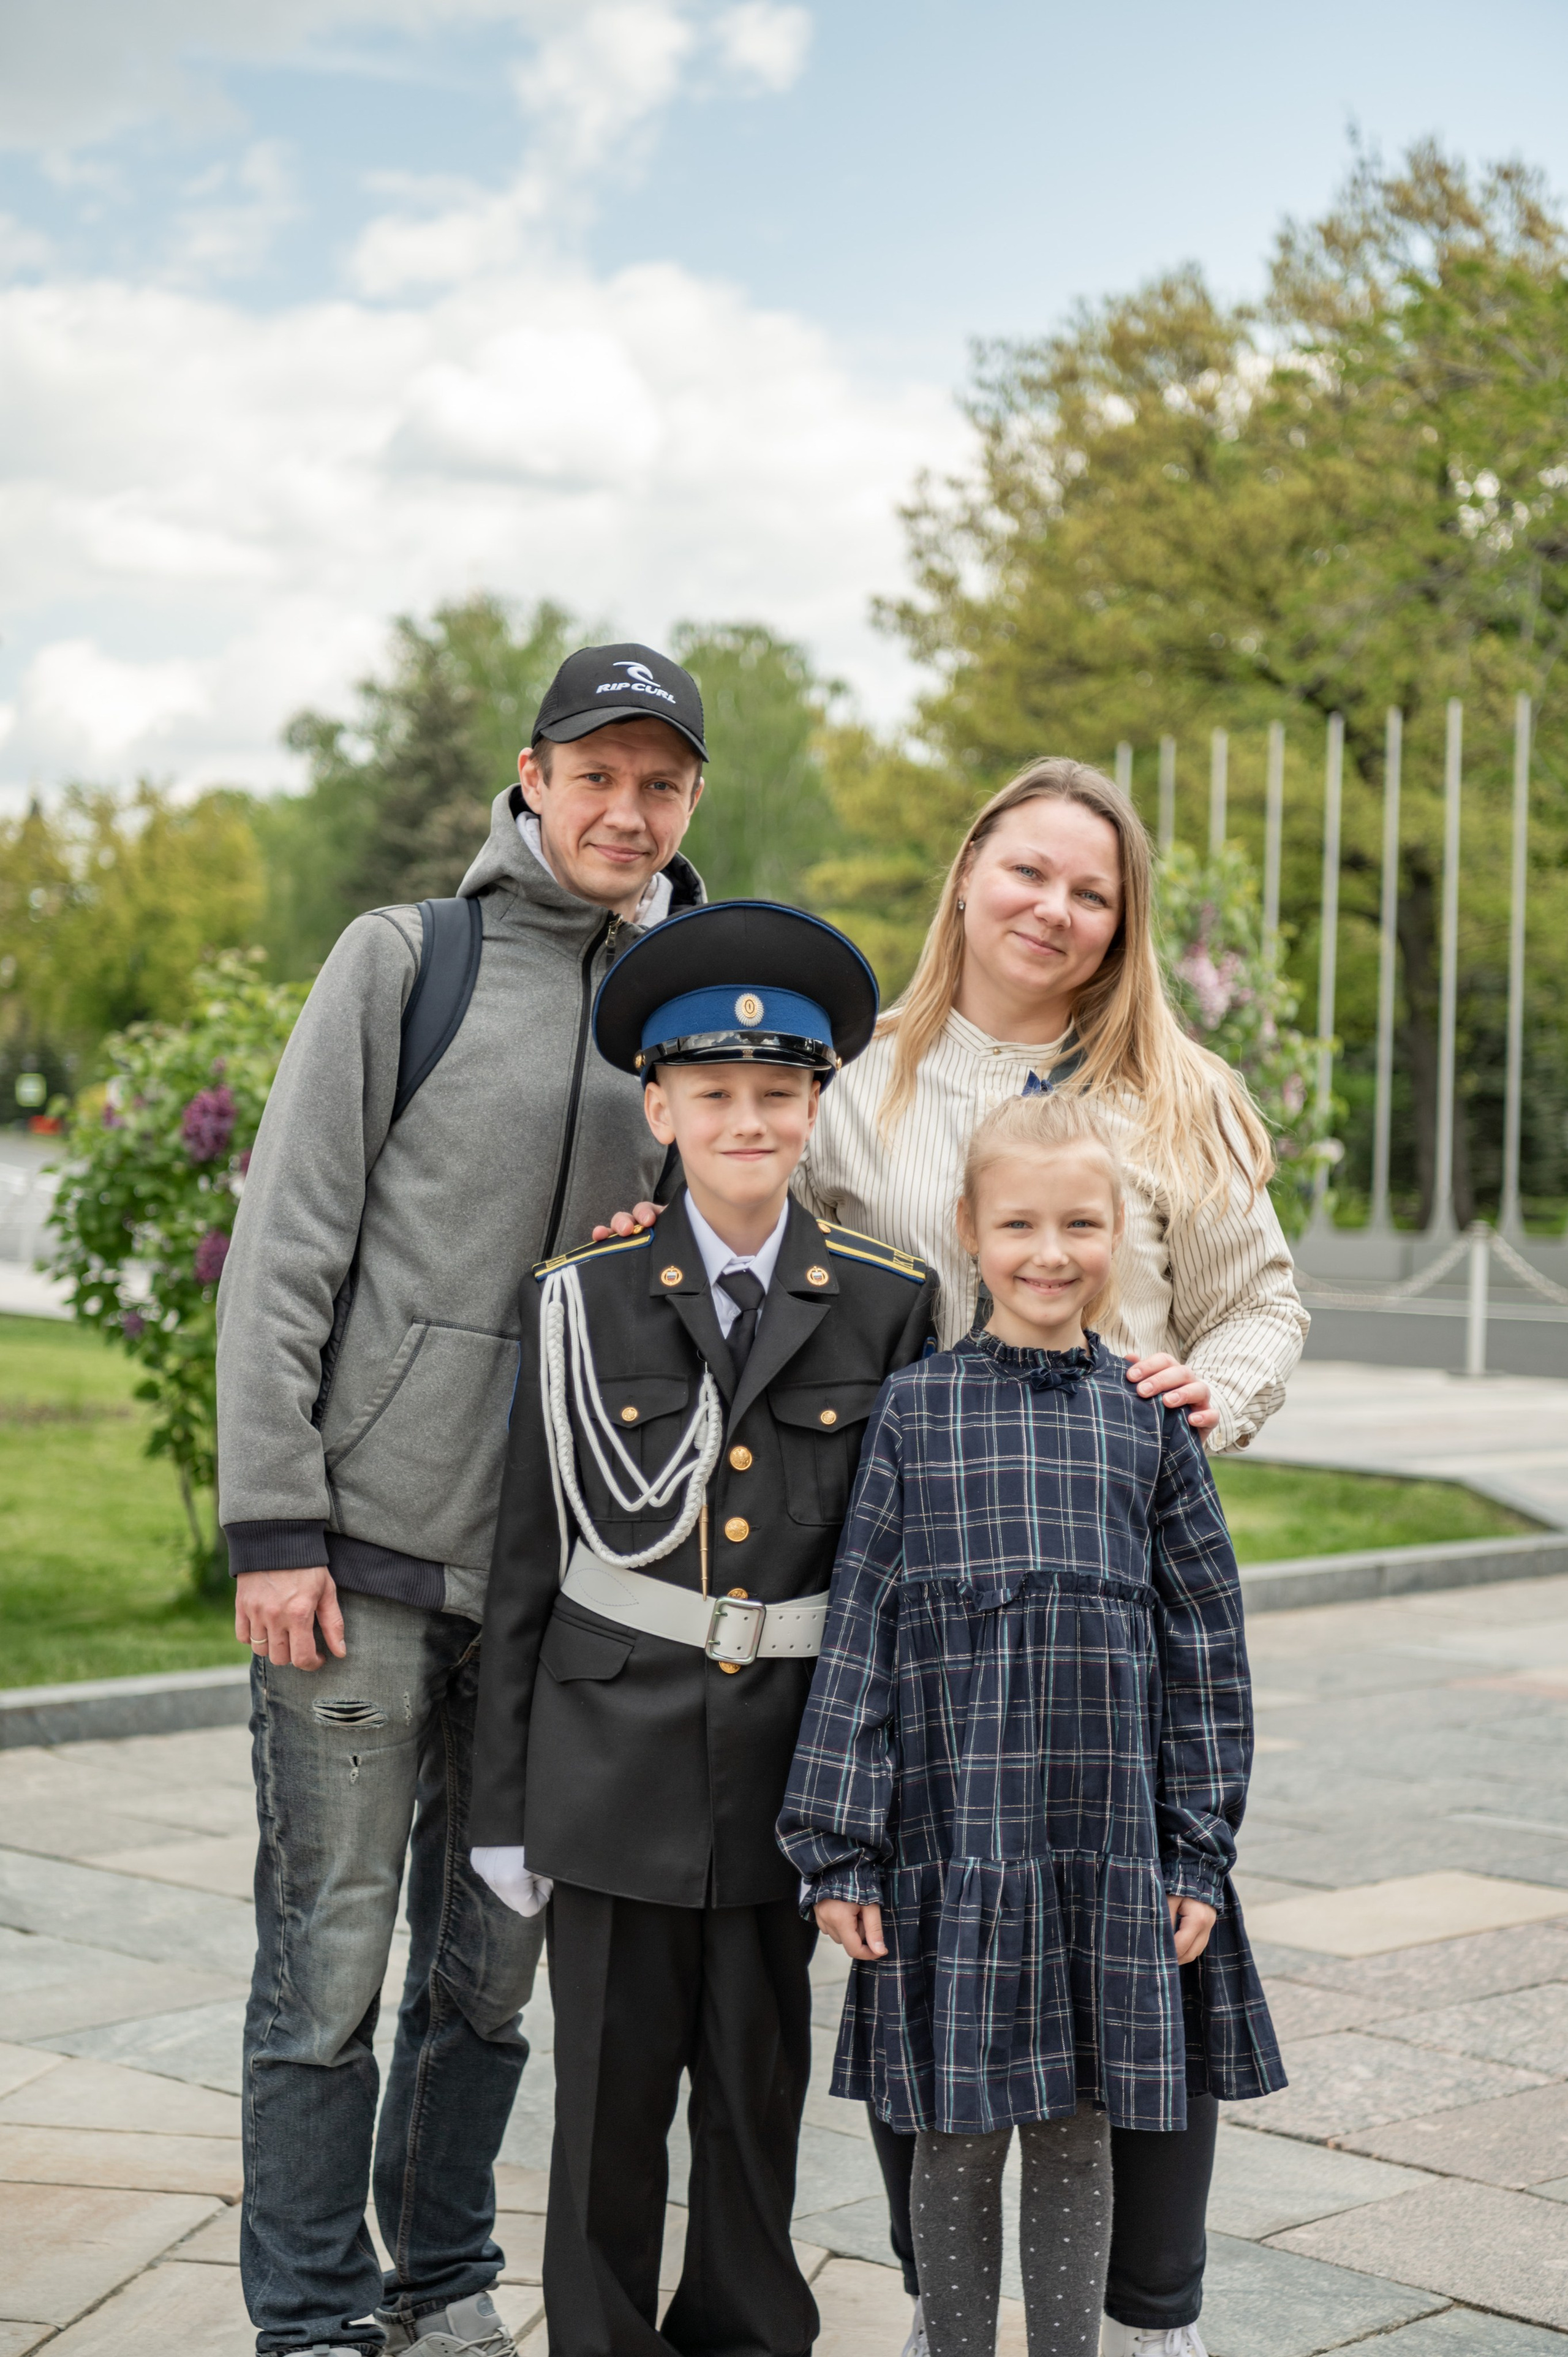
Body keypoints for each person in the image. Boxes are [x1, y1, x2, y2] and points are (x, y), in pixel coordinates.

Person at [601, 754, 1308, 2356]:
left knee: (1134, 1960)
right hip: (905, 1561)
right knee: (934, 1953)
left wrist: (1222, 1388)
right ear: (971, 872)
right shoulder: (867, 1081)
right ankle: (951, 2309)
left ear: (1122, 920)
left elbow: (1261, 1300)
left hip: (1109, 1571)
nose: (1054, 910)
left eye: (1092, 889)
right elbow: (760, 1232)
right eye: (1028, 872)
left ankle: (1145, 2312)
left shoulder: (1174, 1093)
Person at [216, 643, 710, 2357]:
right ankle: (309, 2311)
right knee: (332, 1960)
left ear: (690, 803)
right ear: (533, 776)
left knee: (488, 1978)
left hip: (565, 1593)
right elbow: (287, 1249)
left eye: (661, 783)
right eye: (598, 774)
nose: (626, 810)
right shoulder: (406, 961)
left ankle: (441, 2279)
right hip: (358, 1565)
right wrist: (274, 1523)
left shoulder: (693, 1007)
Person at [467, 900, 940, 2357]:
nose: (747, 1118)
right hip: (608, 1769)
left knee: (756, 2091)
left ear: (815, 1104)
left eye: (777, 1093)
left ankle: (743, 2333)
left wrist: (889, 1801)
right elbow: (523, 1567)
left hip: (791, 1771)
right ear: (658, 1106)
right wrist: (502, 1807)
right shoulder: (578, 1299)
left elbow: (895, 1581)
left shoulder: (883, 1305)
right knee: (606, 2099)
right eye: (713, 1094)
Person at [778, 1090, 1284, 2357]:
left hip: (1099, 1846)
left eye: (1079, 1223)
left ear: (1118, 1232)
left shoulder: (1150, 1421)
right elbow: (863, 1630)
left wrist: (1193, 1852)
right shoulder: (913, 1411)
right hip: (951, 1844)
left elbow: (1206, 1653)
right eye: (1017, 1224)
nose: (1048, 1252)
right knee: (951, 2141)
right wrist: (836, 1844)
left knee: (1077, 2134)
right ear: (967, 1229)